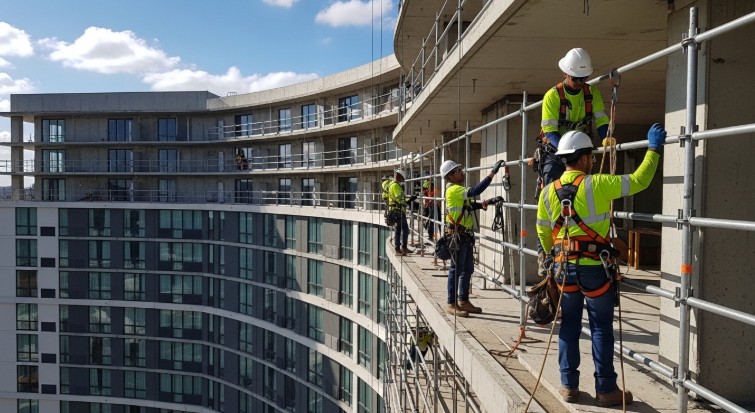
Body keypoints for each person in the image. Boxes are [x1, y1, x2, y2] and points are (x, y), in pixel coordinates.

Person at [535, 124, 666, 406]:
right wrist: (653, 149)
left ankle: (569, 386)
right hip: (596, 268)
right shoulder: (598, 184)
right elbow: (640, 180)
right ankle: (606, 390)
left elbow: (544, 233)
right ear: (582, 158)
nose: (593, 161)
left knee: (569, 325)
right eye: (591, 157)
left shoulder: (547, 192)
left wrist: (553, 259)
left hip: (564, 268)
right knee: (601, 328)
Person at [537, 47, 611, 276]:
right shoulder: (553, 96)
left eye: (583, 78)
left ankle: (583, 243)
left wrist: (606, 135)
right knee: (550, 193)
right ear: (566, 73)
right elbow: (549, 130)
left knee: (585, 194)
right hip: (555, 150)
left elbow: (600, 120)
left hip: (581, 150)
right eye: (576, 78)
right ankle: (545, 253)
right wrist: (567, 150)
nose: (579, 82)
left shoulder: (592, 94)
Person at [442, 159, 504, 317]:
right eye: (457, 170)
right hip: (457, 235)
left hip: (465, 235)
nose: (461, 172)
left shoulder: (459, 189)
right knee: (456, 270)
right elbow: (476, 190)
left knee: (467, 268)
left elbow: (470, 205)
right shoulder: (453, 190)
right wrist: (493, 172)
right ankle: (451, 303)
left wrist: (488, 202)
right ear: (450, 176)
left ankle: (463, 300)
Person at [388, 169, 416, 255]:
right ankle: (402, 248)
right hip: (398, 211)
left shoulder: (393, 185)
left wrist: (408, 199)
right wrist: (409, 200)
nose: (402, 180)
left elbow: (400, 198)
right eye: (402, 178)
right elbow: (399, 199)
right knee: (405, 229)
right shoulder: (395, 186)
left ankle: (399, 248)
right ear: (399, 176)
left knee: (399, 229)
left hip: (396, 210)